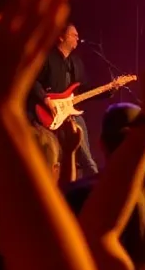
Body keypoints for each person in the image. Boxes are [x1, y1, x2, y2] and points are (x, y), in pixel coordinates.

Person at [32, 23, 98, 176]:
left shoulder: (76, 62)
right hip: (49, 114)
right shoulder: (47, 58)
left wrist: (109, 90)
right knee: (53, 157)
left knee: (86, 157)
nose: (77, 38)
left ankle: (94, 183)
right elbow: (33, 81)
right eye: (73, 35)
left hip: (71, 114)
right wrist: (46, 100)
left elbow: (84, 89)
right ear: (61, 37)